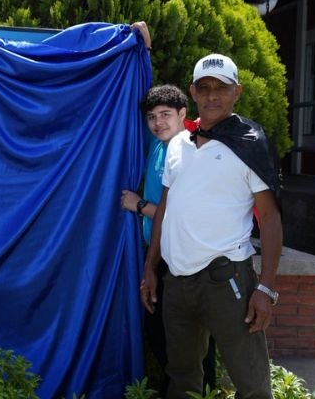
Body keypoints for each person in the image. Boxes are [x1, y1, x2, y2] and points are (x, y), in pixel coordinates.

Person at [140, 54, 283, 399]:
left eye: (221, 88)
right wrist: (151, 267)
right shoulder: (177, 145)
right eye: (204, 88)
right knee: (183, 376)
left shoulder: (251, 144)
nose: (212, 96)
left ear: (237, 91)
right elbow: (166, 211)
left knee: (251, 383)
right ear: (193, 92)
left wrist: (265, 289)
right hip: (178, 282)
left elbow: (272, 219)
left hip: (227, 280)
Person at [121, 85, 216, 396]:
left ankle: (196, 391)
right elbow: (133, 87)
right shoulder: (159, 144)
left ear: (183, 115)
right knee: (160, 332)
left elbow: (176, 211)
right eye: (152, 116)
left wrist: (137, 205)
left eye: (165, 115)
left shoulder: (188, 150)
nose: (158, 122)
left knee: (180, 339)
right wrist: (141, 51)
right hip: (156, 256)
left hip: (180, 260)